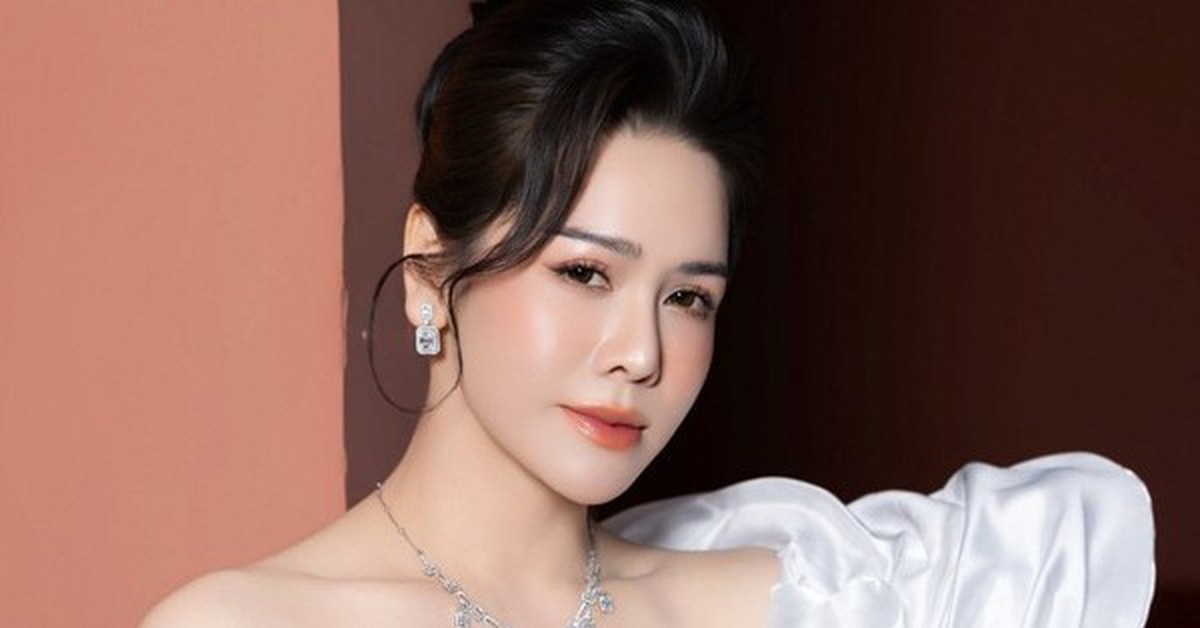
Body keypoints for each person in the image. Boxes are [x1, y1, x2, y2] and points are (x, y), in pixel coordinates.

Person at [141, 1, 1155, 626]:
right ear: (429, 267)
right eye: (586, 273)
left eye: (688, 297)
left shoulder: (798, 601)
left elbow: (1059, 543)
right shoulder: (242, 623)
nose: (642, 353)